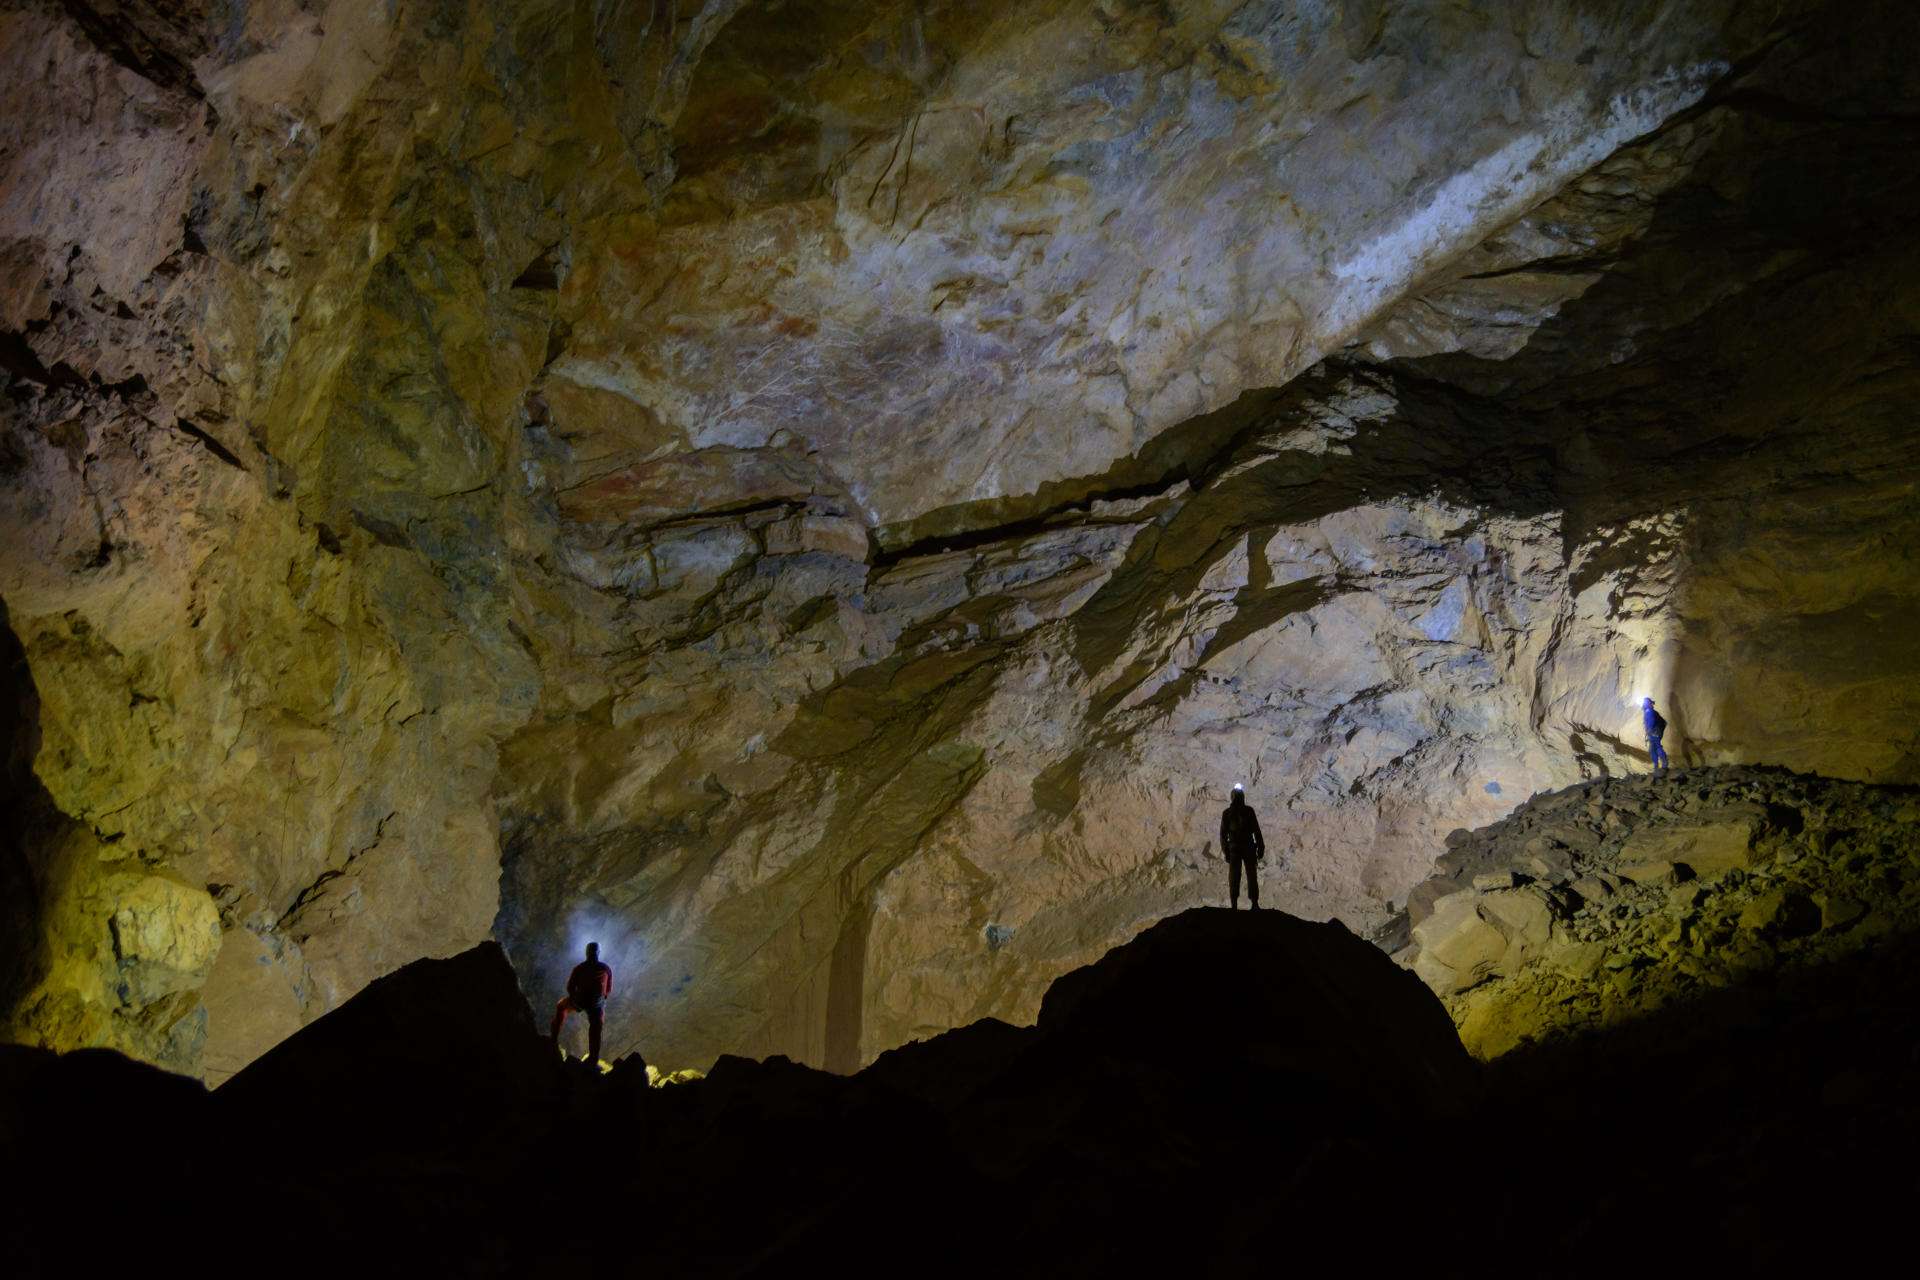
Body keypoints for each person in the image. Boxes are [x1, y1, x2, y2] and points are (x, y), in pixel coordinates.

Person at [551, 942, 613, 1063]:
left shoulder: (580, 968)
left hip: (580, 1000)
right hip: (596, 1004)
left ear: (586, 953)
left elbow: (570, 987)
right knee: (596, 1026)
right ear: (599, 953)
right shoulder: (606, 969)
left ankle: (553, 1039)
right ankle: (593, 1058)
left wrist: (575, 998)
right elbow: (608, 990)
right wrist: (600, 1000)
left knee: (561, 1006)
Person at [1219, 783, 1266, 909]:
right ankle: (1239, 903)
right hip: (1239, 848)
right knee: (1238, 876)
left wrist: (1261, 846)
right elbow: (1223, 835)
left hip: (1243, 847)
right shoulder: (1230, 813)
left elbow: (1256, 830)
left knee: (1248, 875)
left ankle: (1251, 903)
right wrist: (1226, 851)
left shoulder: (1241, 812)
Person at [1642, 697, 1671, 775]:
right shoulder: (1653, 711)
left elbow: (1651, 722)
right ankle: (1659, 765)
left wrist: (1649, 731)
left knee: (1656, 748)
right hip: (1656, 732)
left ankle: (1662, 764)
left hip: (1654, 733)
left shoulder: (1649, 711)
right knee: (1653, 749)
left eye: (1645, 703)